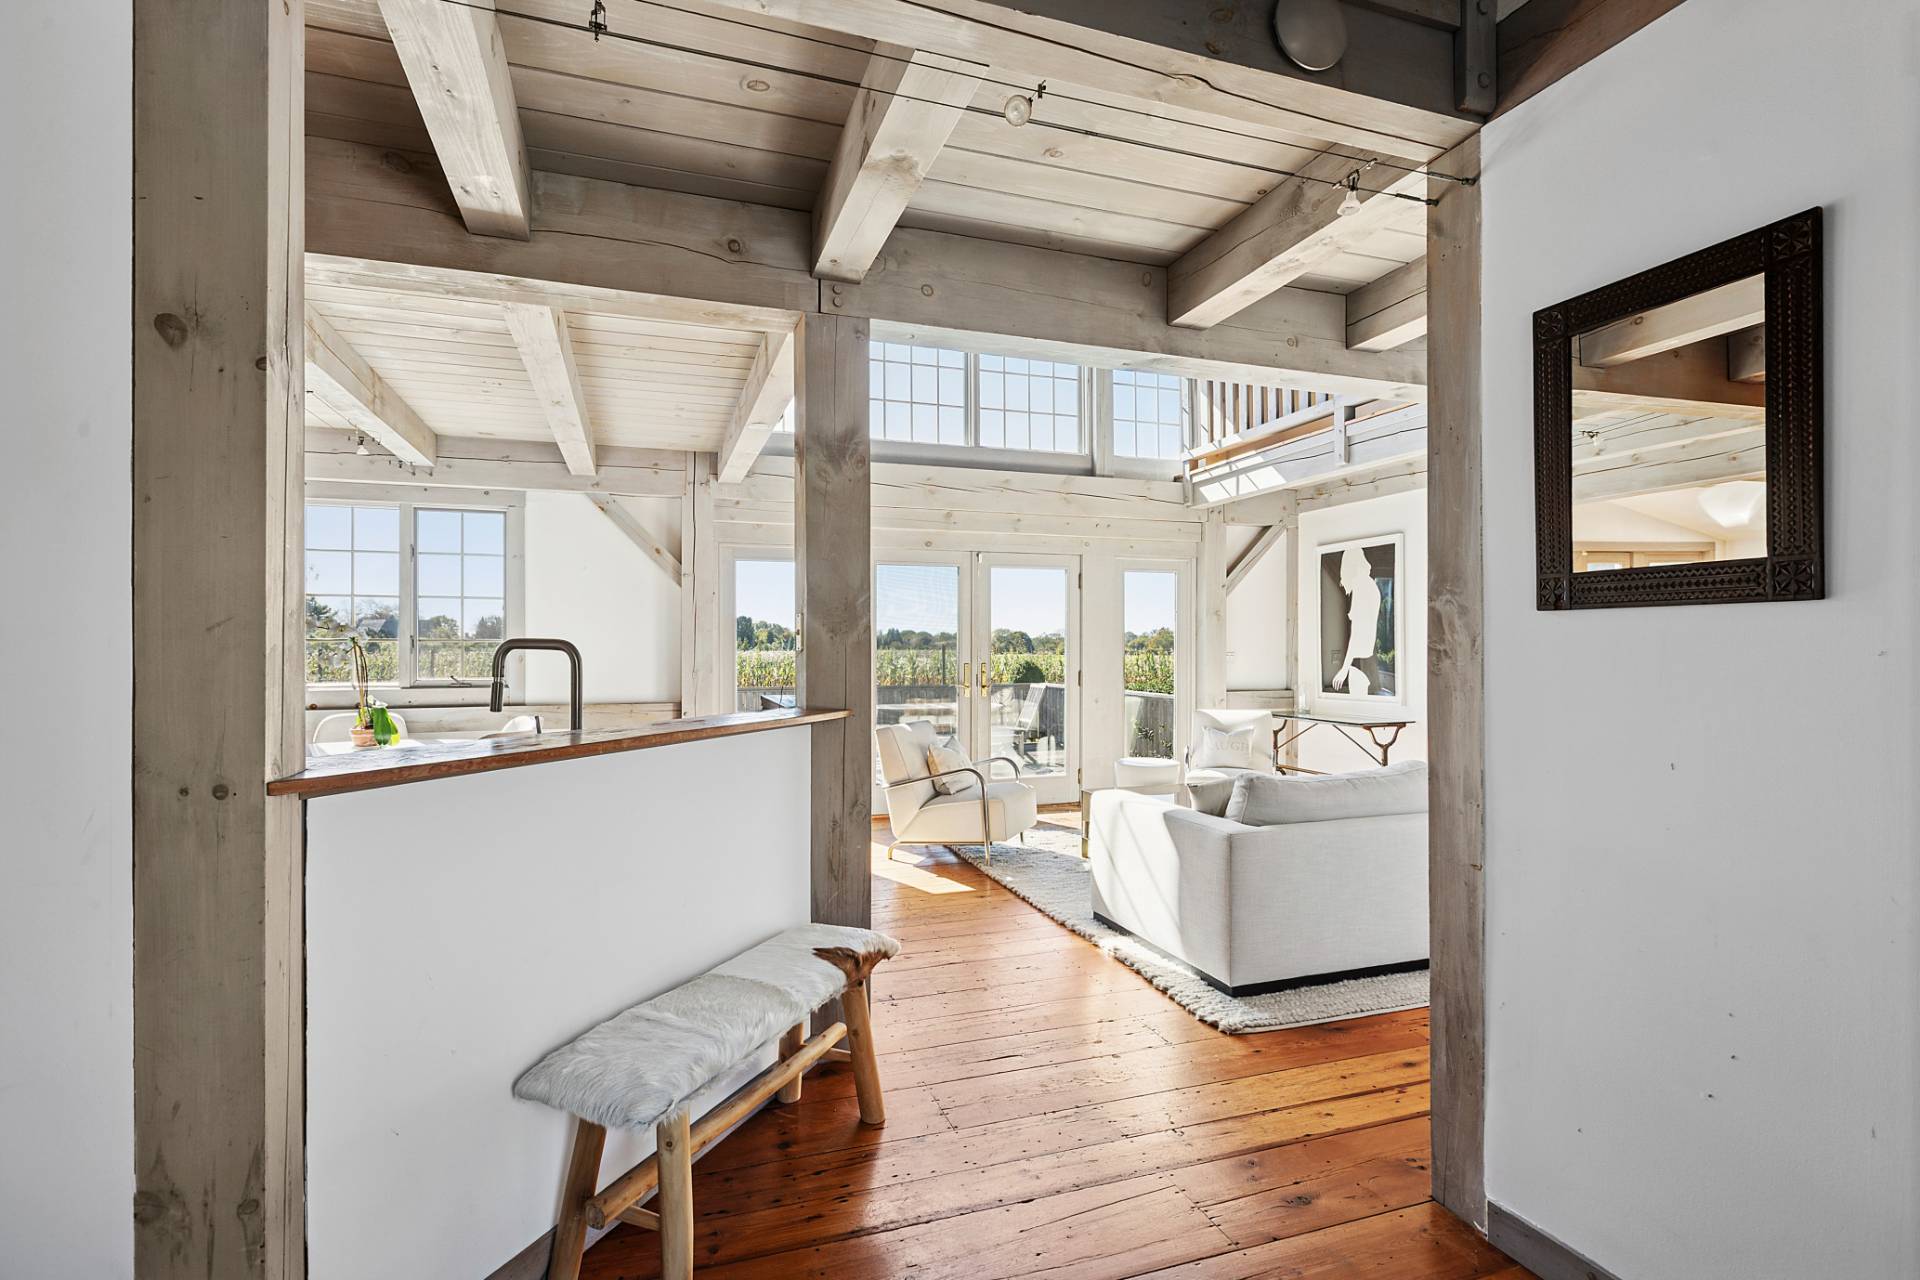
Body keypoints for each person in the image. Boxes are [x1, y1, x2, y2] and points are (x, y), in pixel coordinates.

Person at [1331, 546, 1381, 696]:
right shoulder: (1371, 585)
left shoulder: (1361, 585)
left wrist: (1344, 669)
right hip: (1370, 661)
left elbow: (1357, 632)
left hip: (1359, 662)